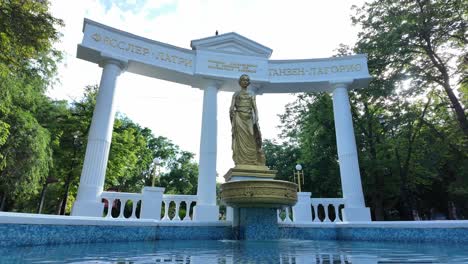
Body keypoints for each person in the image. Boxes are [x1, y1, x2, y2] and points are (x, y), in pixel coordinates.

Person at [230, 74, 266, 166]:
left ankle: (253, 159)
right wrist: (232, 113)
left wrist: (256, 117)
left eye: (247, 80)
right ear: (240, 82)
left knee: (251, 135)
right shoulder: (236, 94)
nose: (245, 82)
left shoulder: (251, 94)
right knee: (240, 138)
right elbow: (232, 107)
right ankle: (241, 160)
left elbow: (255, 107)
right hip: (239, 117)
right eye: (243, 80)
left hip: (249, 117)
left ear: (249, 82)